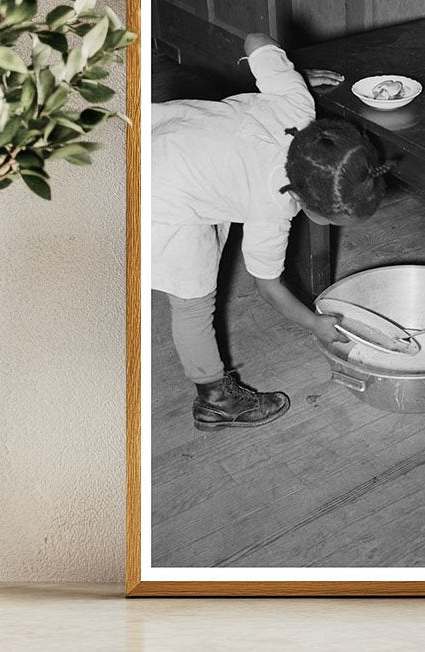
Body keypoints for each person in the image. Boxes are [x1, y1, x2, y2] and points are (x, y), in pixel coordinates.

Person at [151, 33, 390, 431]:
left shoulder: (297, 104)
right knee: (192, 301)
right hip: (160, 196)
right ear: (304, 203)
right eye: (332, 219)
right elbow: (269, 287)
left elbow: (255, 39)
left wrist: (289, 74)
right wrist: (315, 324)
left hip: (159, 132)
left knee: (214, 209)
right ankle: (215, 400)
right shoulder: (271, 208)